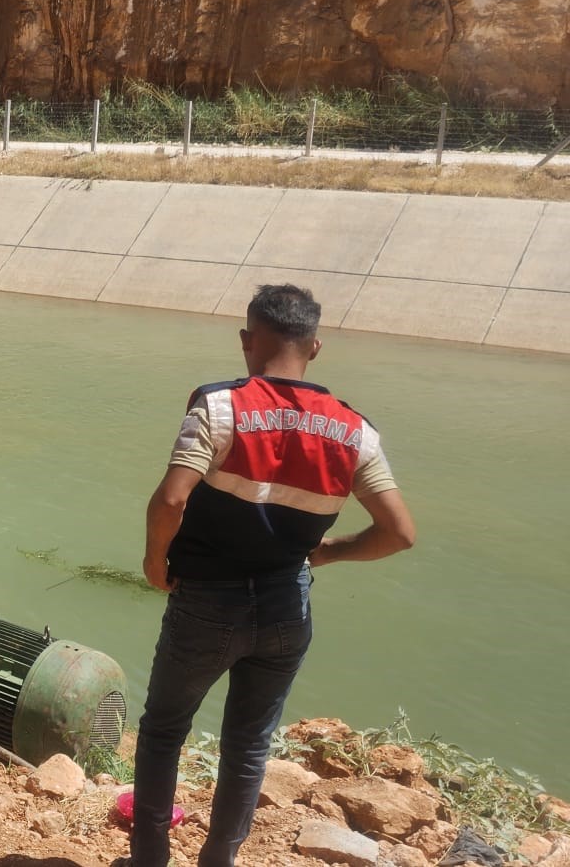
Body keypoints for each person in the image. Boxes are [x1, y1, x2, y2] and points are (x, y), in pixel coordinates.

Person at [132, 284, 416, 867]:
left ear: (246, 341)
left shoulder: (218, 407)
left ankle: (149, 859)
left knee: (163, 732)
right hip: (289, 607)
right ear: (315, 347)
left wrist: (155, 560)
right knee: (248, 746)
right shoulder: (355, 432)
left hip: (206, 603)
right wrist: (328, 552)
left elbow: (170, 500)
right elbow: (398, 533)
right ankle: (220, 860)